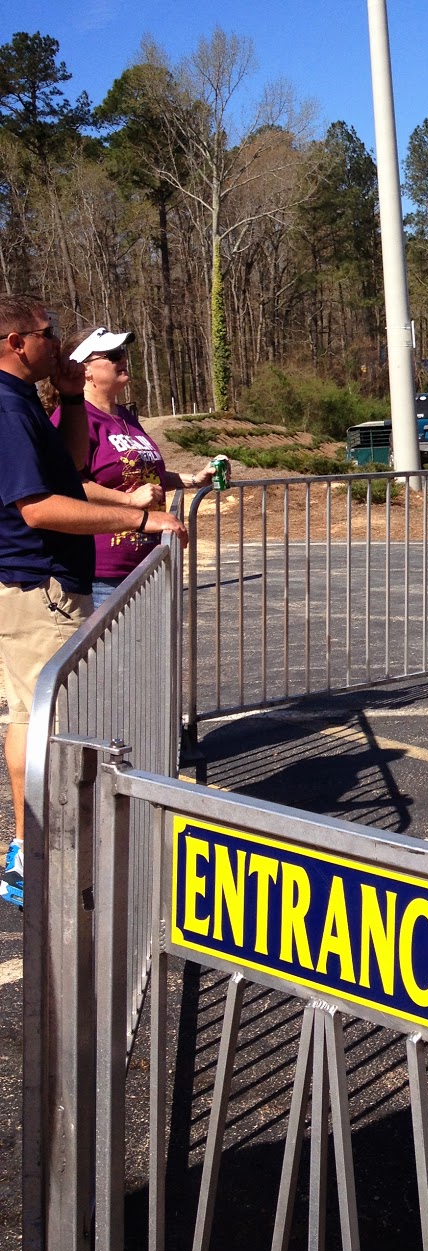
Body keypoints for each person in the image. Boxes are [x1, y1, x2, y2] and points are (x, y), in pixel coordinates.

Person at [0, 296, 186, 908]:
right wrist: (138, 514)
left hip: (45, 584)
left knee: (36, 718)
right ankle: (38, 857)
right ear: (16, 342)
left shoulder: (25, 400)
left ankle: (33, 850)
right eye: (47, 332)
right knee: (49, 723)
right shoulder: (6, 407)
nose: (57, 341)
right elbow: (39, 507)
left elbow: (73, 465)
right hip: (39, 587)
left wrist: (71, 398)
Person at [54, 326, 215, 605]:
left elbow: (141, 476)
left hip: (146, 561)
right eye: (113, 355)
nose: (123, 359)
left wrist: (194, 479)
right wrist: (128, 500)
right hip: (103, 572)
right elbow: (65, 484)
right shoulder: (73, 419)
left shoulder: (125, 417)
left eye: (123, 352)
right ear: (85, 369)